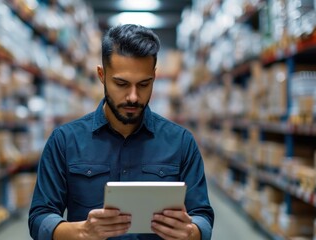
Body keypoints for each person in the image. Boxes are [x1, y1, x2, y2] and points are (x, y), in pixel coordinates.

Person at [28, 24, 214, 240]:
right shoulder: (65, 141)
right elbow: (40, 218)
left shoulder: (181, 143)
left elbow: (202, 217)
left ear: (154, 77)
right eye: (121, 83)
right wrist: (83, 232)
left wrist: (191, 232)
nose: (133, 96)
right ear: (101, 75)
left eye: (144, 84)